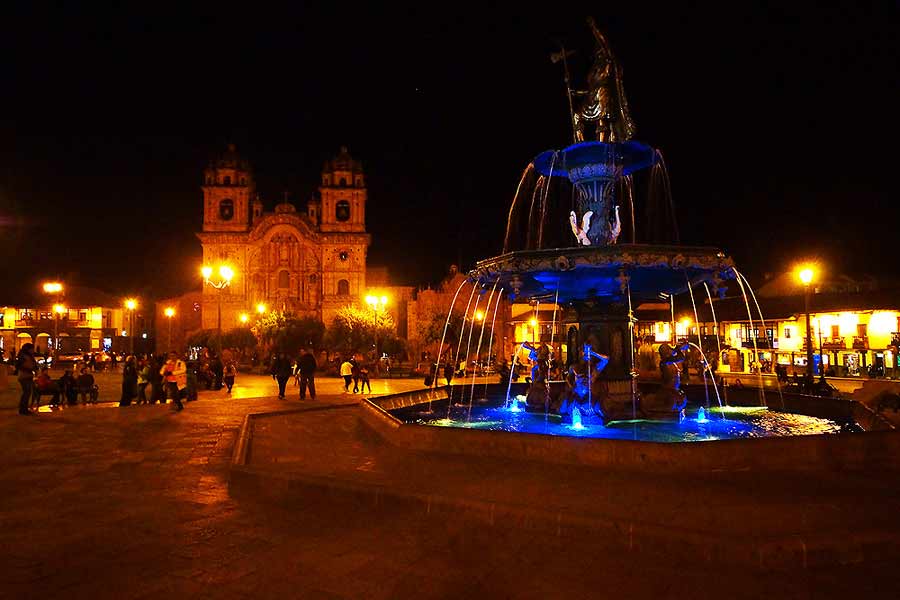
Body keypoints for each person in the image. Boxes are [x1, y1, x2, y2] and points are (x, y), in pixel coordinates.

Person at [15, 343, 37, 415]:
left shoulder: (29, 356)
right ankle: (23, 409)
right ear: (28, 349)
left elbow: (32, 364)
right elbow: (19, 366)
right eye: (31, 349)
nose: (33, 350)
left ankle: (24, 408)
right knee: (26, 393)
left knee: (27, 393)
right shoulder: (23, 356)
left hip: (28, 375)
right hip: (23, 376)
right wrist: (28, 369)